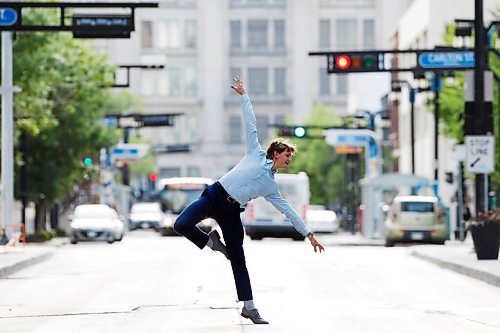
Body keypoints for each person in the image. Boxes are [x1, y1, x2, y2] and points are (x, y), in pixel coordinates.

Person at [174, 76, 325, 325]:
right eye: (287, 156)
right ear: (276, 153)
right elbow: (250, 123)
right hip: (214, 196)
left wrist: (309, 234)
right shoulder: (254, 151)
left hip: (232, 212)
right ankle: (212, 243)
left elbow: (290, 211)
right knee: (181, 224)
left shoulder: (271, 187)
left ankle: (250, 307)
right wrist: (244, 95)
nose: (289, 161)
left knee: (238, 259)